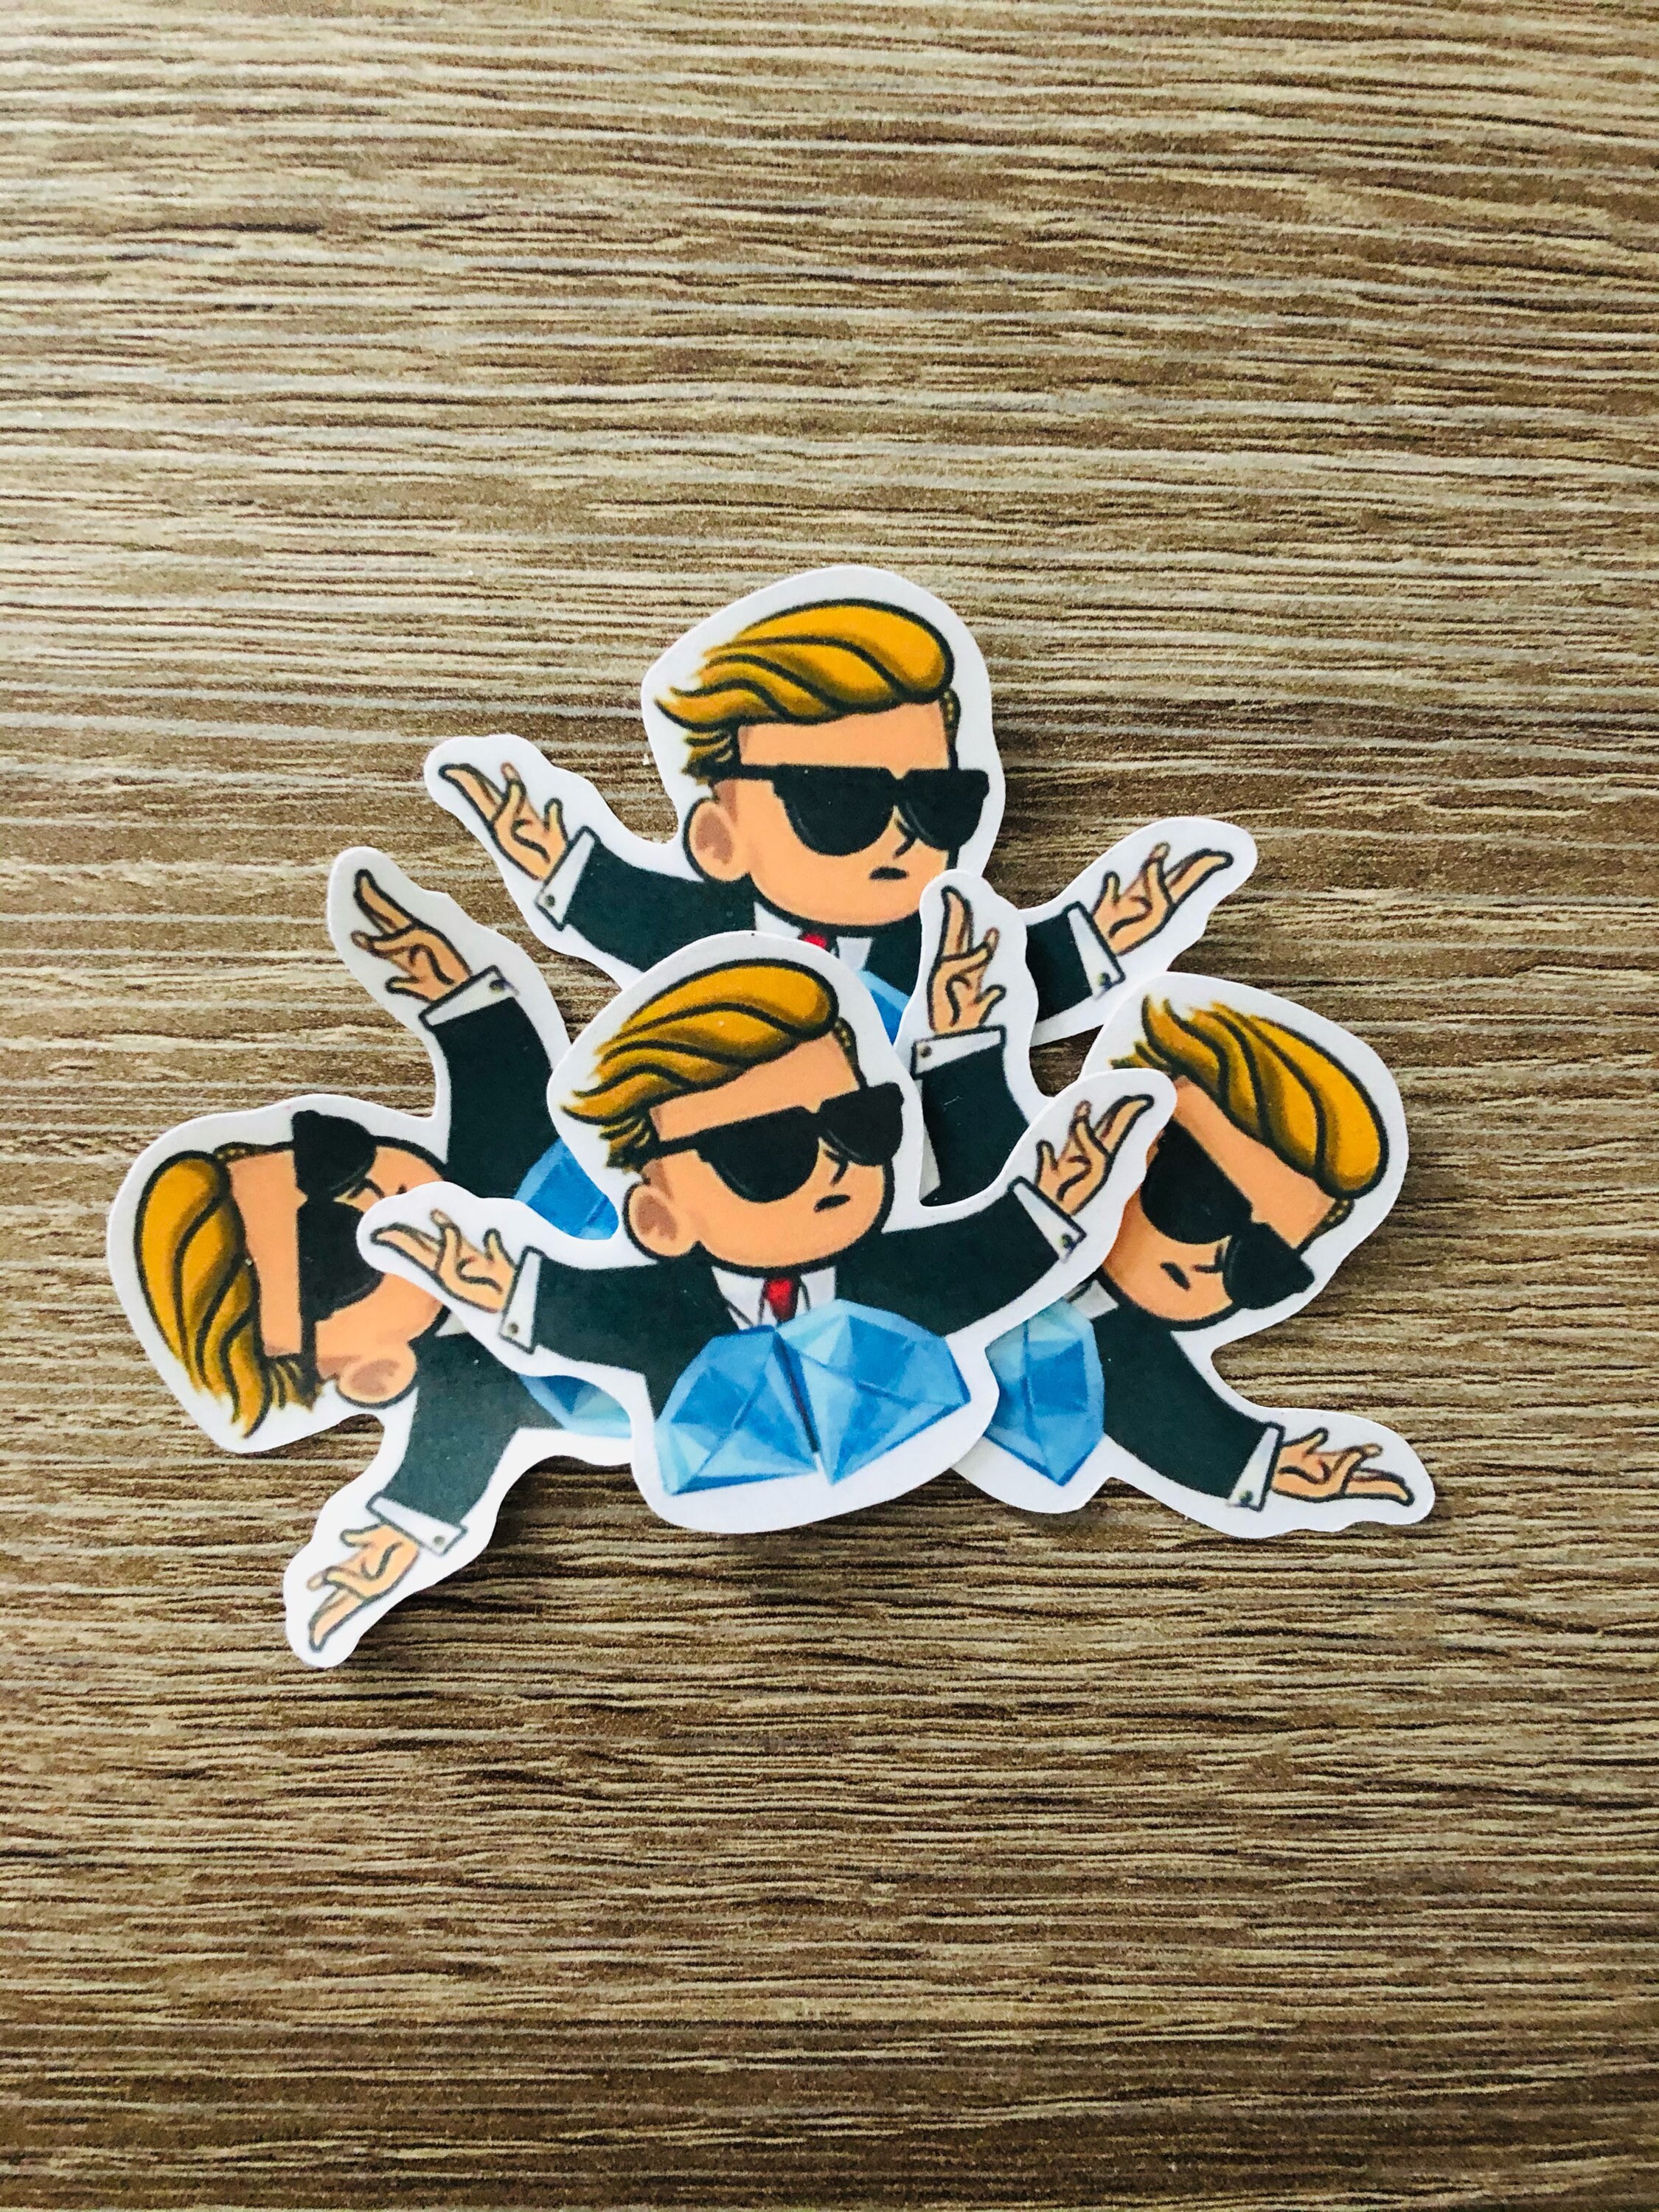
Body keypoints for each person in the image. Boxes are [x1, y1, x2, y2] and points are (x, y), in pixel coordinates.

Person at [369, 952, 1161, 1520]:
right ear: (657, 1217)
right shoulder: (655, 1310)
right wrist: (492, 1280)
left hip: (949, 1513)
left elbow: (990, 1257)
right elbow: (577, 1309)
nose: (836, 1165)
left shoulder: (906, 1267)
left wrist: (1058, 1192)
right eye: (764, 1155)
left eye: (858, 1122)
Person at [119, 863, 617, 1659]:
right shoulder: (479, 1393)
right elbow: (427, 1497)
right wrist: (369, 1566)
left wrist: (430, 964)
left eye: (330, 1155)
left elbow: (486, 1036)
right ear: (376, 1376)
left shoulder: (494, 1145)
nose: (366, 1194)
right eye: (335, 1257)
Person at [427, 580, 1248, 1042]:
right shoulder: (701, 935)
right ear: (717, 836)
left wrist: (1105, 933)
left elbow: (1024, 973)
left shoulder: (936, 952)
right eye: (838, 806)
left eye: (935, 803)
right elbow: (621, 907)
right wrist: (552, 854)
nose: (901, 836)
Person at [969, 990, 1425, 1523]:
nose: (1211, 1262)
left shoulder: (1128, 1357)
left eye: (1261, 1263)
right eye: (1197, 1200)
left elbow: (1174, 1420)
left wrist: (1272, 1469)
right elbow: (966, 1122)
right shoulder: (1011, 1187)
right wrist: (963, 1036)